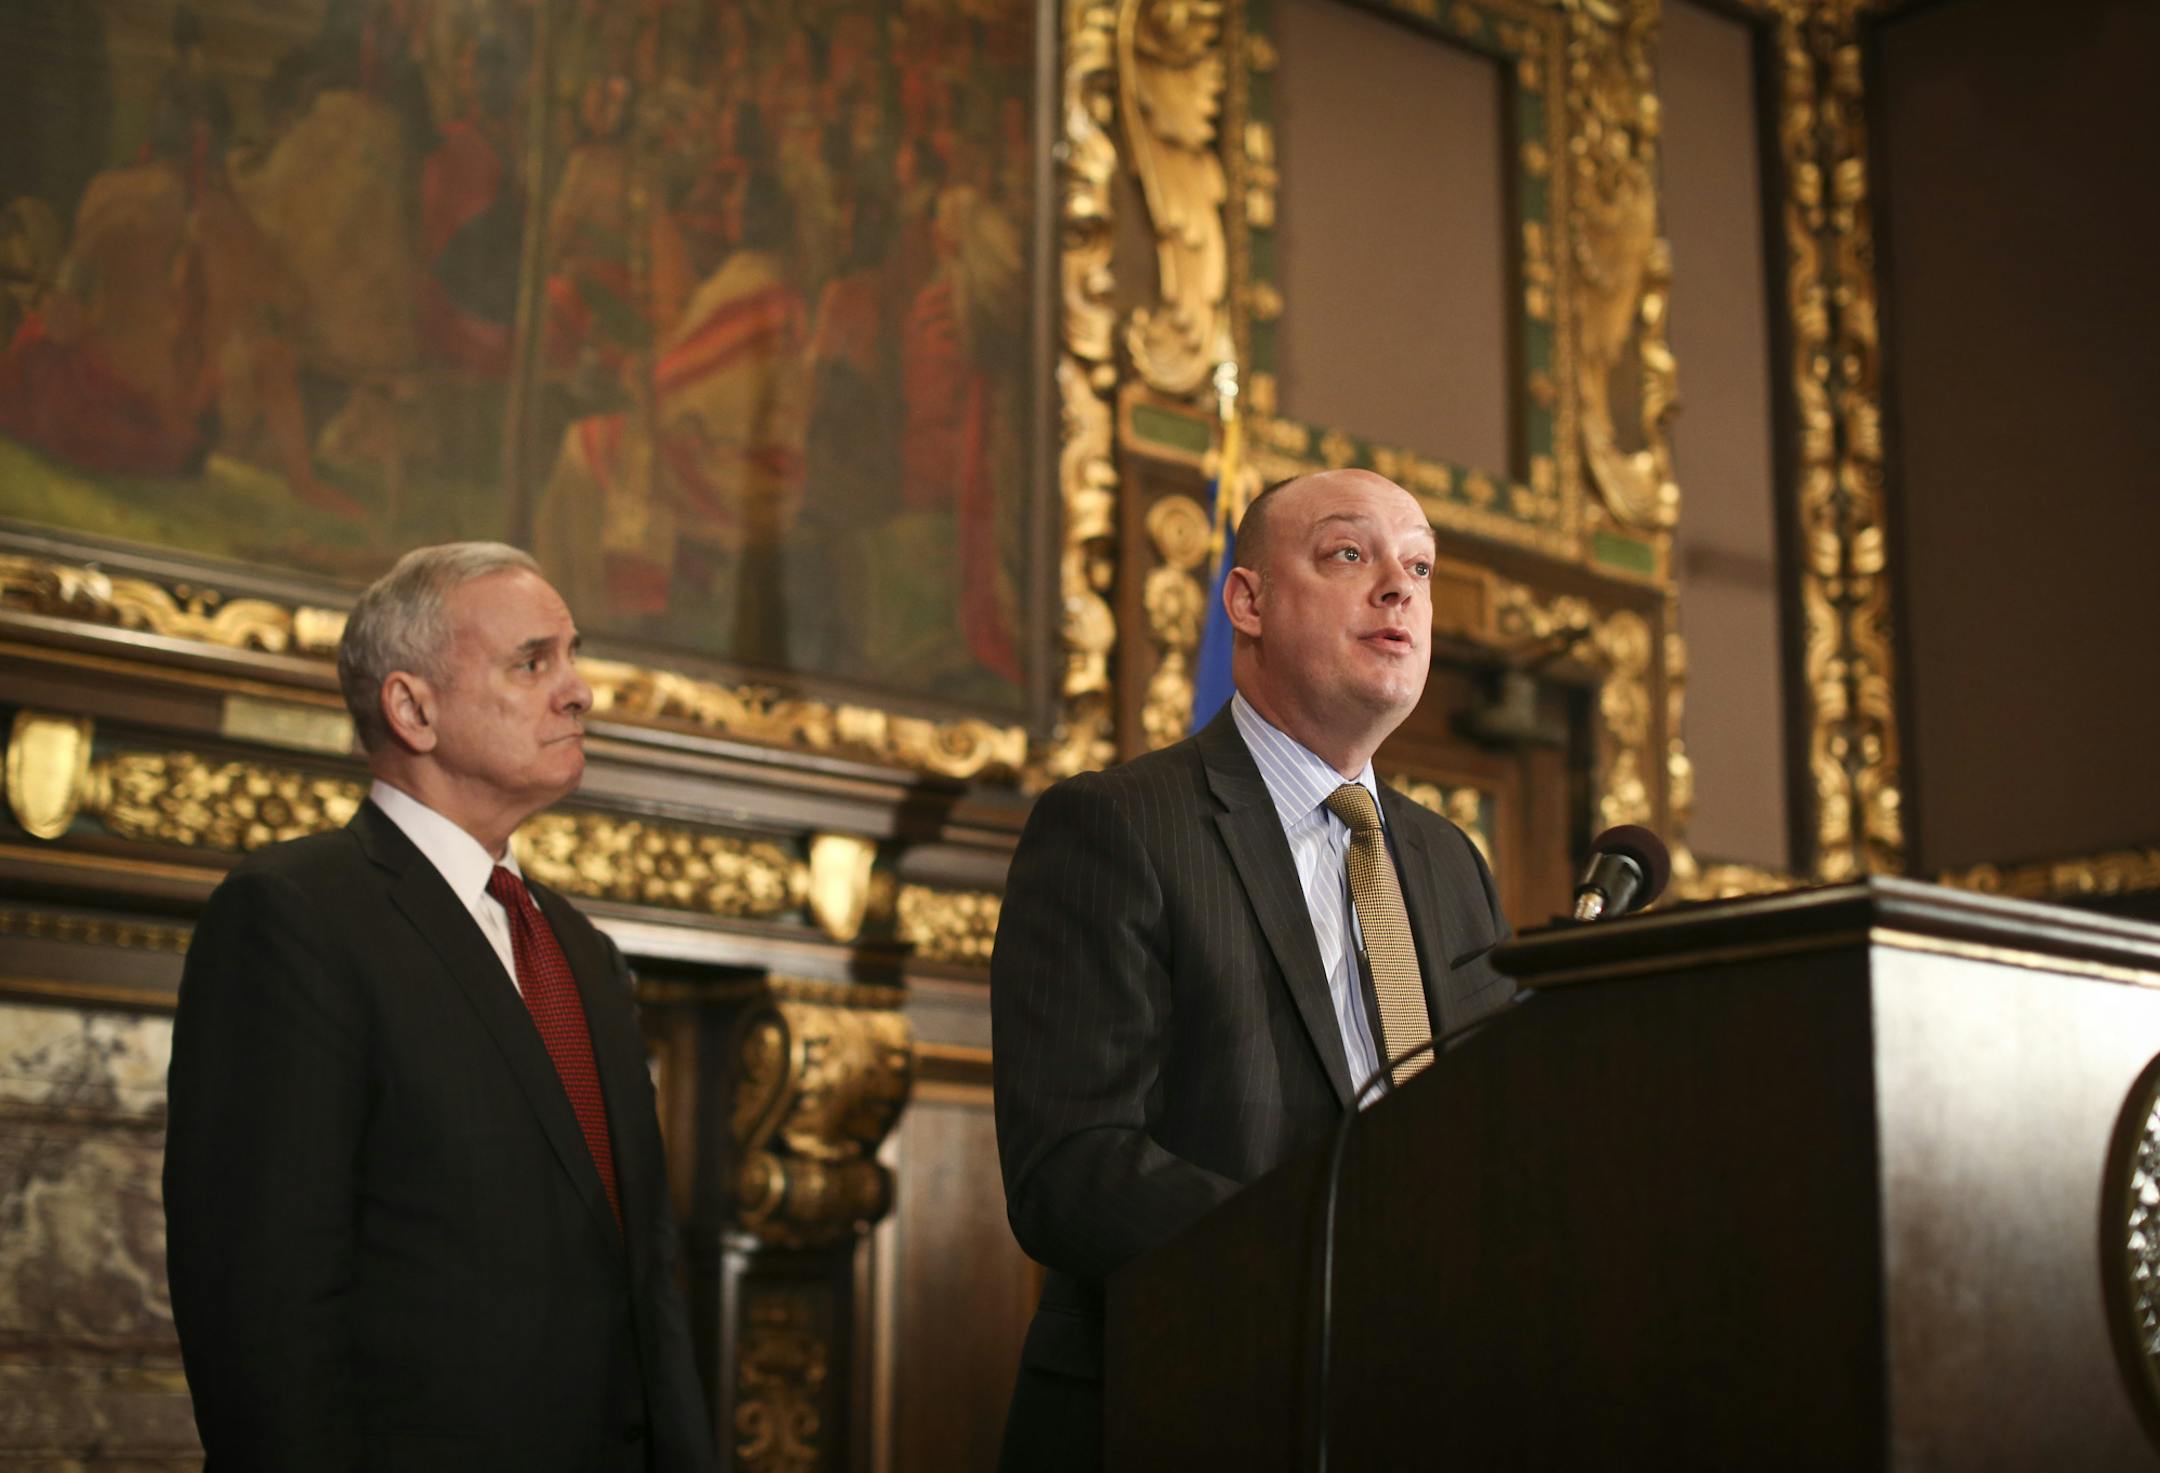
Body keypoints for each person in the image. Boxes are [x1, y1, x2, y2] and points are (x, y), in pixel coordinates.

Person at [990, 469, 1519, 1471]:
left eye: (1420, 568)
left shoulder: (1451, 862)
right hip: (1187, 1403)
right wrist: (1333, 1262)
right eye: (1349, 555)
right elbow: (1071, 1169)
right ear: (1247, 602)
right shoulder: (1117, 827)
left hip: (1422, 1403)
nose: (1400, 590)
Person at [163, 543, 714, 1472]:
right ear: (412, 708)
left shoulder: (581, 949)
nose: (579, 691)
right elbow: (261, 1305)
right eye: (533, 661)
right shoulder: (295, 914)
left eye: (573, 656)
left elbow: (643, 1277)